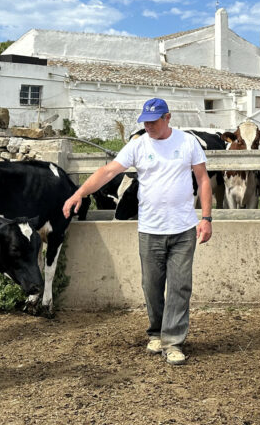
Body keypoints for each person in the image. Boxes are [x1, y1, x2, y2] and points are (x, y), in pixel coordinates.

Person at [62, 98, 212, 365]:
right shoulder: (138, 145)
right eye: (145, 121)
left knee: (179, 285)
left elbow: (202, 178)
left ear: (168, 117)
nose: (149, 126)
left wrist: (206, 217)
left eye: (154, 121)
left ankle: (173, 341)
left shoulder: (187, 143)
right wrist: (79, 193)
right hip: (150, 229)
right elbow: (108, 172)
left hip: (183, 228)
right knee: (151, 285)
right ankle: (156, 331)